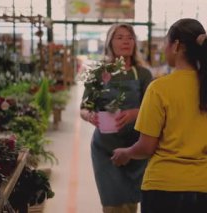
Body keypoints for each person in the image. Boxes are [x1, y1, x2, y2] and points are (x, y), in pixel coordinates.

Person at [111, 18, 207, 213]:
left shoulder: (159, 89)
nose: (163, 48)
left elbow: (147, 147)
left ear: (176, 46)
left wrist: (127, 152)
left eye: (165, 42)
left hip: (165, 188)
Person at [80, 23, 152, 213]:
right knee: (112, 204)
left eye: (129, 37)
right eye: (119, 37)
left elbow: (152, 109)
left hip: (135, 148)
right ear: (110, 42)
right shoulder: (98, 73)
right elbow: (84, 107)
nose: (126, 41)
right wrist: (90, 116)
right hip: (106, 149)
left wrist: (132, 114)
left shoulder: (143, 74)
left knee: (130, 202)